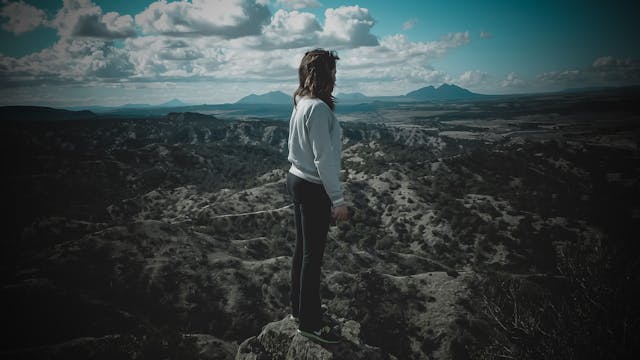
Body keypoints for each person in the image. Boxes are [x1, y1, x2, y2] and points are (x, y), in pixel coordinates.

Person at [285, 48, 348, 344]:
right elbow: (324, 159)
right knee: (313, 257)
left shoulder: (300, 103)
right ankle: (310, 323)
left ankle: (298, 309)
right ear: (324, 75)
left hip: (296, 179)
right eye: (332, 73)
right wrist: (337, 200)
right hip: (313, 187)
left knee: (302, 251)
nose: (335, 79)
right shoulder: (319, 110)